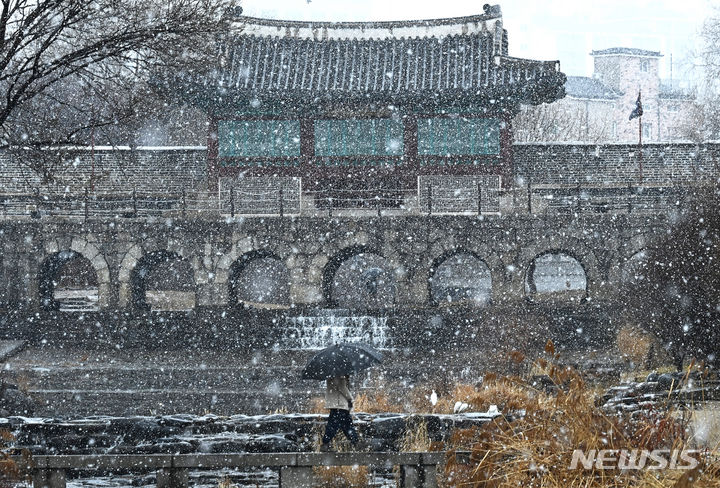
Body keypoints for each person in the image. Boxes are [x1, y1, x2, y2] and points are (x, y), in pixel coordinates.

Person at [320, 375, 359, 451]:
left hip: (336, 405)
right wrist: (350, 399)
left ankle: (326, 444)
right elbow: (342, 387)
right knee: (344, 425)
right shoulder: (339, 375)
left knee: (340, 425)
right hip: (340, 404)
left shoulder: (332, 374)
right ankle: (355, 443)